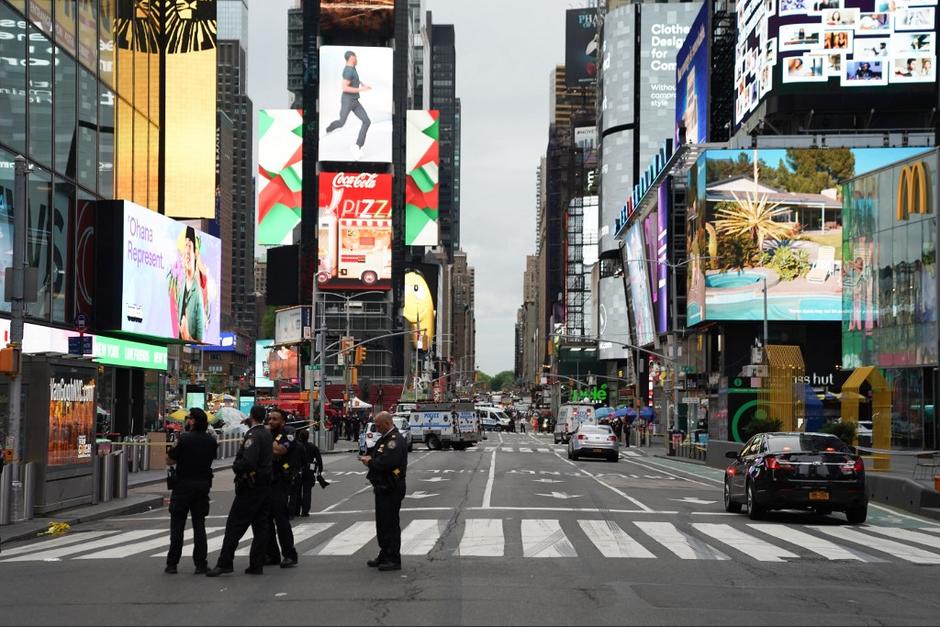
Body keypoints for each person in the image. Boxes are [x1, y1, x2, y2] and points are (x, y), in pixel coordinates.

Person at [206, 406, 273, 577]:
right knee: (261, 526)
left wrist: (237, 466)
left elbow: (248, 461)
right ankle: (256, 564)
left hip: (251, 485)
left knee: (235, 524)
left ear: (251, 416)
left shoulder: (253, 435)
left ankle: (225, 562)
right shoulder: (266, 434)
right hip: (264, 485)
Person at [165, 408, 218, 575]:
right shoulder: (211, 441)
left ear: (193, 421)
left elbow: (170, 459)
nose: (187, 420)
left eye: (189, 418)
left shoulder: (184, 439)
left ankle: (172, 563)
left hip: (183, 485)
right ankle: (201, 563)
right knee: (199, 525)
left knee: (177, 526)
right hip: (202, 485)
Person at [359, 412, 408, 571]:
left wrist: (370, 462)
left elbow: (387, 462)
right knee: (382, 523)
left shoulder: (394, 440)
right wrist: (369, 457)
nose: (376, 428)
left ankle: (393, 557)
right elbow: (376, 454)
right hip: (382, 486)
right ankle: (385, 553)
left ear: (387, 423)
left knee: (390, 523)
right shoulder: (385, 439)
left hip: (391, 486)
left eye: (378, 425)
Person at [324, 50, 373, 160]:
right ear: (351, 58)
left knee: (367, 121)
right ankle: (328, 129)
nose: (357, 59)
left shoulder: (353, 68)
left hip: (355, 101)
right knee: (341, 122)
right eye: (356, 57)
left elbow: (355, 79)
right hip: (347, 101)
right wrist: (362, 89)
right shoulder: (348, 71)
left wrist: (361, 83)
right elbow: (345, 88)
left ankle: (357, 146)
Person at [265, 409, 299, 568]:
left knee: (281, 519)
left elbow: (279, 450)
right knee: (266, 520)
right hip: (266, 480)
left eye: (275, 419)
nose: (271, 422)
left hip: (280, 481)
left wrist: (267, 438)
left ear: (283, 422)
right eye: (269, 419)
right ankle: (272, 554)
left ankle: (289, 554)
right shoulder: (268, 434)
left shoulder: (288, 434)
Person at [173, 226, 207, 343]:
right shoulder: (181, 287)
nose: (186, 252)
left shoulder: (198, 294)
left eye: (189, 246)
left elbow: (201, 340)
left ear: (195, 254)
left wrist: (187, 337)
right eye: (185, 246)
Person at [293, 429, 324, 518]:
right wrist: (320, 470)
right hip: (309, 469)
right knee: (307, 491)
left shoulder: (296, 446)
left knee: (297, 491)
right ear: (308, 437)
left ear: (299, 437)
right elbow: (319, 459)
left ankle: (296, 510)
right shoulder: (313, 447)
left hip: (298, 469)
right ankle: (305, 511)